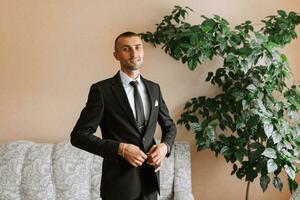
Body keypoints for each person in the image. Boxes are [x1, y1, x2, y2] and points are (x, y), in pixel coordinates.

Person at [70, 31, 177, 200]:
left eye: (138, 47)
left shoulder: (154, 88)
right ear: (116, 55)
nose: (134, 53)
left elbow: (169, 126)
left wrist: (165, 147)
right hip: (118, 187)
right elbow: (78, 136)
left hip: (150, 184)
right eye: (126, 49)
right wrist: (121, 149)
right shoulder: (102, 91)